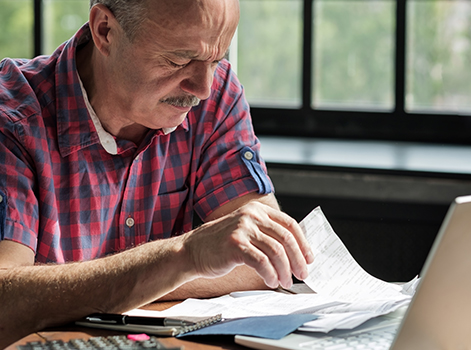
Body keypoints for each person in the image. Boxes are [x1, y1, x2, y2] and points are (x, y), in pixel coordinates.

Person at [0, 0, 314, 347]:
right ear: (104, 30)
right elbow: (4, 299)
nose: (202, 87)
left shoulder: (216, 96)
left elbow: (265, 258)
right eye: (178, 59)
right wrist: (186, 256)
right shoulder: (13, 120)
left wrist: (99, 284)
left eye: (217, 59)